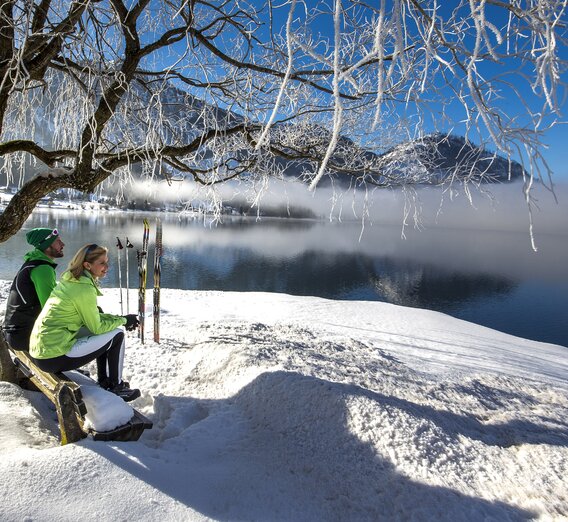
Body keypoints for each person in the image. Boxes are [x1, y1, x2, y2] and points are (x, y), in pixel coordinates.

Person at [29, 243, 141, 402]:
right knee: (117, 335)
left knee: (111, 331)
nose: (107, 266)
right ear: (87, 265)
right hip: (52, 355)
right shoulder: (83, 288)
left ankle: (105, 381)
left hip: (42, 350)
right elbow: (97, 327)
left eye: (106, 261)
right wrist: (123, 321)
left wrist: (121, 318)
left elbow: (94, 318)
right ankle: (115, 386)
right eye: (102, 263)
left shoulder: (72, 281)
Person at [4, 227, 65, 350]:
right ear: (47, 246)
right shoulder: (43, 269)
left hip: (15, 332)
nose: (63, 244)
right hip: (24, 336)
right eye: (58, 241)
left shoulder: (33, 263)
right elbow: (50, 308)